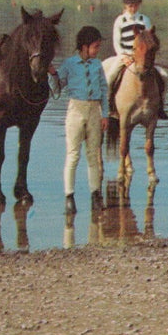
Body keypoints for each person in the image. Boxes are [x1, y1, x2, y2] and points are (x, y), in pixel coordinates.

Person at [48, 26, 110, 215]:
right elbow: (57, 90)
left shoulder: (97, 65)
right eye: (95, 46)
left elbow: (104, 91)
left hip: (94, 111)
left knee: (93, 156)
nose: (97, 50)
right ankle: (69, 197)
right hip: (76, 110)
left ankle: (95, 195)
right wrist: (52, 75)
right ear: (84, 46)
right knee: (73, 155)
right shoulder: (69, 64)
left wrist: (105, 114)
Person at [102, 0, 168, 119]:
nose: (133, 8)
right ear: (125, 5)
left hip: (143, 57)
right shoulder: (120, 21)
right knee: (110, 77)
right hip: (125, 55)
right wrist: (123, 56)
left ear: (139, 4)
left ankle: (161, 106)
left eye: (135, 5)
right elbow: (117, 42)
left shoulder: (144, 20)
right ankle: (110, 105)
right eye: (130, 5)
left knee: (164, 75)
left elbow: (150, 40)